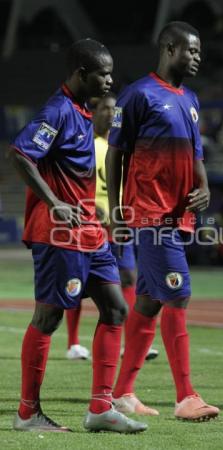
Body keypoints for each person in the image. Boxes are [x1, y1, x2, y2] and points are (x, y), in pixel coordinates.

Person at [9, 38, 147, 434]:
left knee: (116, 308)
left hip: (90, 231)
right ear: (81, 74)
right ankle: (27, 414)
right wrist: (52, 201)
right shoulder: (57, 110)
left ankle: (101, 408)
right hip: (59, 233)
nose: (109, 80)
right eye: (103, 73)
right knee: (48, 317)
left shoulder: (83, 112)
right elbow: (19, 154)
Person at [106, 22, 220, 421]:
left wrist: (203, 188)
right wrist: (118, 210)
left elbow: (196, 153)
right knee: (178, 293)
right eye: (192, 50)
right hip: (150, 213)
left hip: (178, 214)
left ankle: (121, 393)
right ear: (170, 48)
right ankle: (186, 396)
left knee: (150, 302)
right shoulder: (138, 94)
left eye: (200, 51)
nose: (198, 58)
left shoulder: (189, 97)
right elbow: (115, 154)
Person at [65, 93, 159, 361]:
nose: (110, 113)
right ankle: (73, 343)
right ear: (94, 111)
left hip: (119, 223)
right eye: (105, 108)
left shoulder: (121, 147)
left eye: (114, 110)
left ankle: (129, 342)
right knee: (78, 283)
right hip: (90, 223)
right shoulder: (86, 145)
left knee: (129, 277)